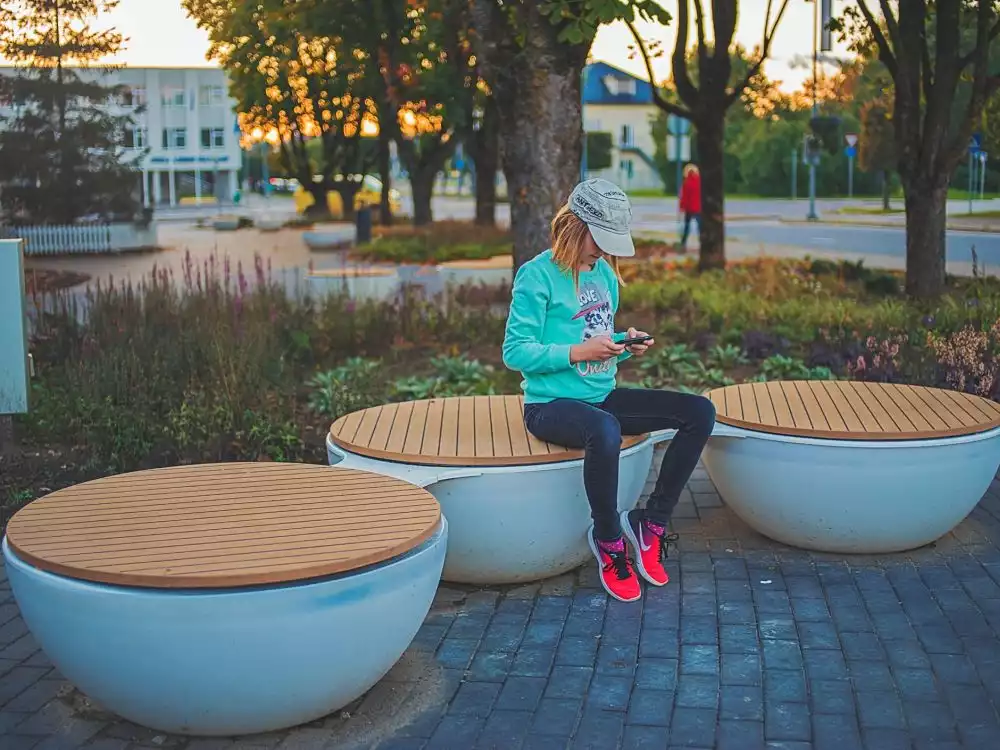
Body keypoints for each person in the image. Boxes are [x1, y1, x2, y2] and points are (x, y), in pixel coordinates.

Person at [502, 178, 716, 602]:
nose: (605, 250)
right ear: (576, 226)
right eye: (599, 239)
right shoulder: (537, 275)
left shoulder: (605, 276)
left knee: (698, 412)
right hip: (550, 405)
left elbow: (595, 341)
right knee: (604, 430)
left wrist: (621, 345)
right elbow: (515, 351)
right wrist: (581, 351)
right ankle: (608, 539)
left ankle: (650, 524)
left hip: (601, 395)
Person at [678, 163, 701, 252]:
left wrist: (681, 208)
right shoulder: (700, 181)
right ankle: (702, 243)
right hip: (699, 208)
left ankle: (683, 244)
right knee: (700, 227)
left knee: (687, 227)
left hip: (689, 209)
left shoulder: (686, 183)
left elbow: (684, 197)